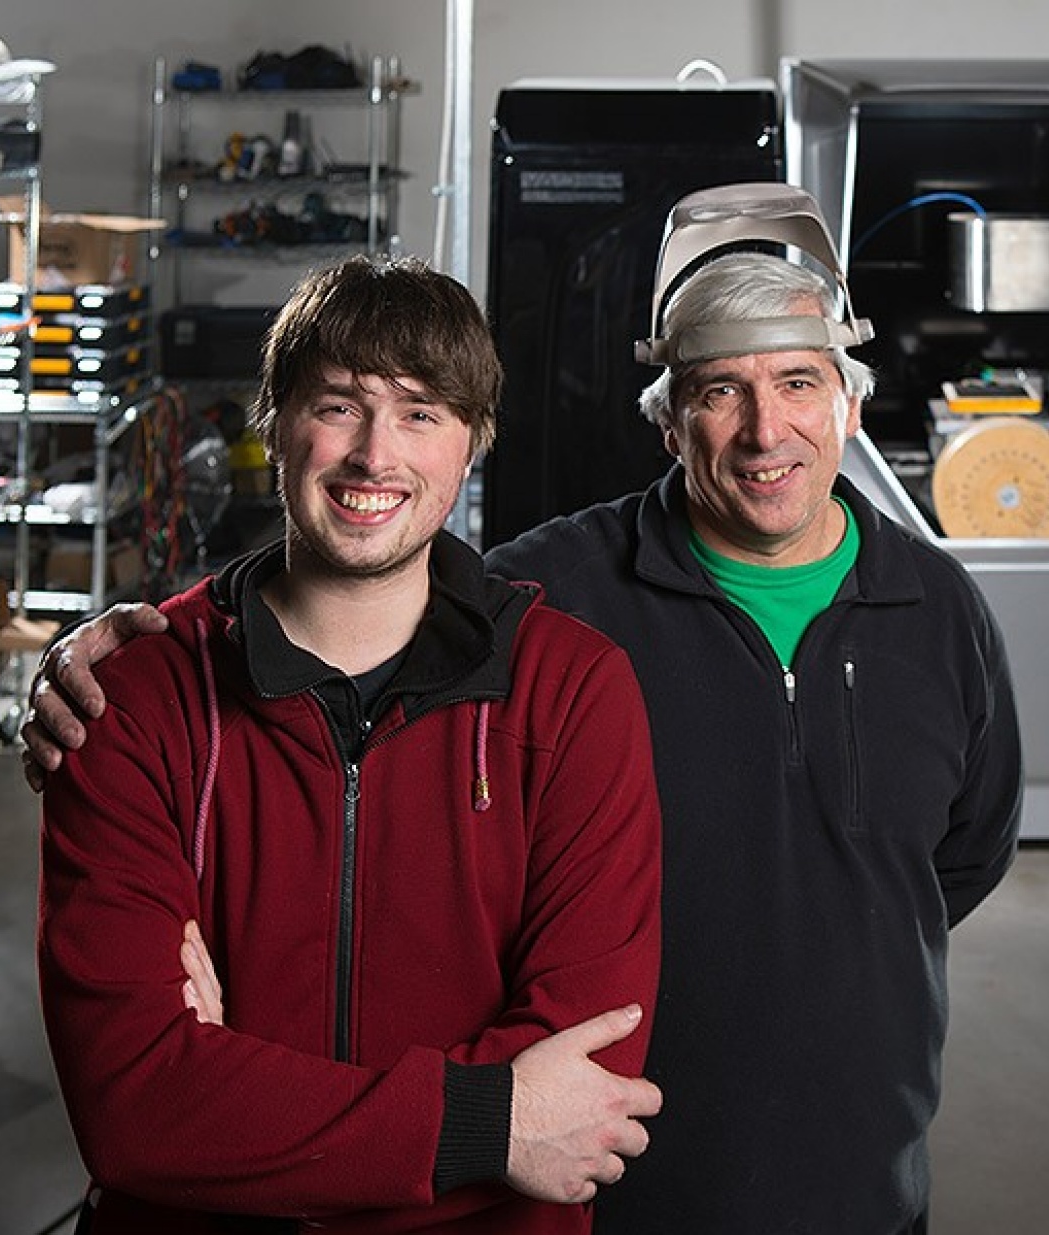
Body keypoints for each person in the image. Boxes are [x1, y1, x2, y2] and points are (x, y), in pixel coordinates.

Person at [25, 185, 1023, 1235]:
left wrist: (250, 1111)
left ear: (849, 403)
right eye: (720, 390)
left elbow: (963, 854)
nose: (765, 429)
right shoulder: (552, 604)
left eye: (798, 382)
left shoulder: (936, 610)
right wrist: (118, 650)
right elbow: (367, 574)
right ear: (668, 421)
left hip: (856, 1169)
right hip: (630, 1181)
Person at [34, 254, 664, 1234]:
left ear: (472, 442)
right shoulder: (133, 697)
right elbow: (132, 1108)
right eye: (338, 405)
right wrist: (488, 1128)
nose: (375, 454)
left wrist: (234, 1124)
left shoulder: (572, 692)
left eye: (421, 413)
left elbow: (583, 1094)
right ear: (274, 422)